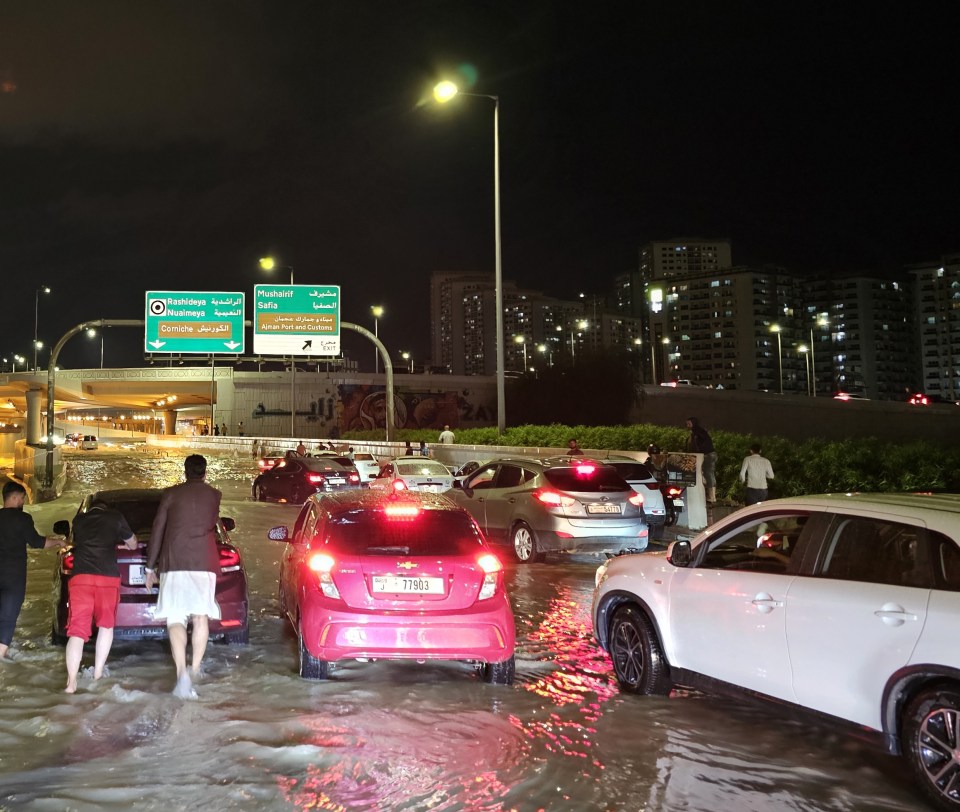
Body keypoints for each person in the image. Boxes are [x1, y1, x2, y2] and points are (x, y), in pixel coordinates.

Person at [145, 455, 222, 699]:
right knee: (200, 617)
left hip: (174, 561)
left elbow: (158, 528)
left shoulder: (171, 494)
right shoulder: (214, 495)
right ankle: (196, 668)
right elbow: (210, 525)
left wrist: (150, 567)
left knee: (175, 618)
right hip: (204, 562)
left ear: (185, 471)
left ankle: (181, 672)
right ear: (205, 472)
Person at [64, 500, 138, 693]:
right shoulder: (115, 518)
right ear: (107, 509)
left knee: (77, 632)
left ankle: (71, 684)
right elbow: (132, 544)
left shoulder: (78, 520)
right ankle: (97, 675)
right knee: (106, 627)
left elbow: (76, 542)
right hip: (107, 580)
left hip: (81, 579)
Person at [0, 481, 65, 660]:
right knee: (8, 615)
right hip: (13, 576)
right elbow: (37, 542)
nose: (23, 503)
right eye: (22, 498)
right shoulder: (23, 519)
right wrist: (58, 541)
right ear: (14, 497)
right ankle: (1, 655)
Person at [686, 417, 717, 504]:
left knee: (708, 474)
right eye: (687, 423)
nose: (687, 425)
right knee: (704, 474)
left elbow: (702, 443)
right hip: (704, 455)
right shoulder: (695, 432)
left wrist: (698, 451)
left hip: (708, 455)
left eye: (689, 423)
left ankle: (712, 496)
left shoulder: (699, 431)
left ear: (693, 423)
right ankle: (709, 495)